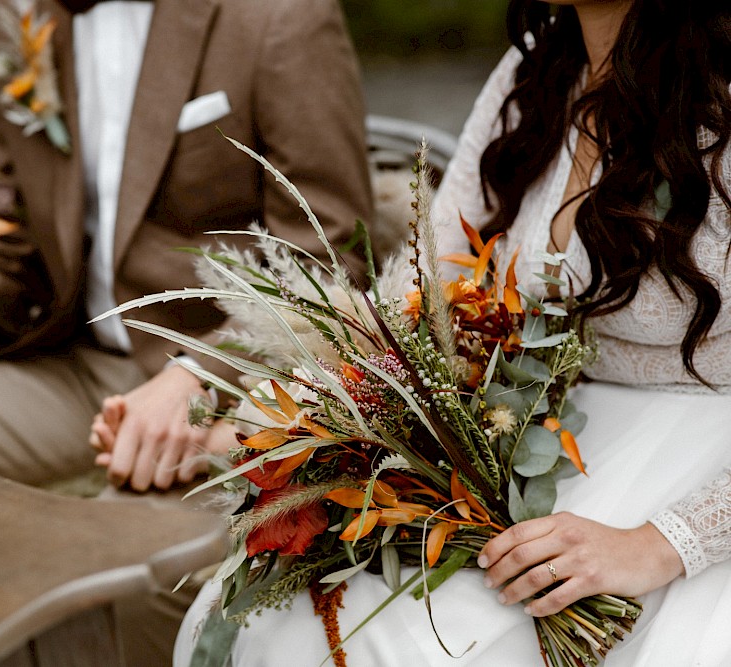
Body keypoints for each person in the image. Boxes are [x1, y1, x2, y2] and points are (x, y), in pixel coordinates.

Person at [175, 0, 731, 664]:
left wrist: (657, 543)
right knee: (265, 622)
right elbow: (423, 286)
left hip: (696, 460)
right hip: (533, 436)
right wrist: (311, 413)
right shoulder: (539, 68)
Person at [0, 0, 373, 494]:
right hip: (66, 361)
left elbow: (323, 260)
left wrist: (196, 378)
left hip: (223, 371)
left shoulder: (283, 15)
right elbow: (11, 248)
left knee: (131, 549)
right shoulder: (17, 19)